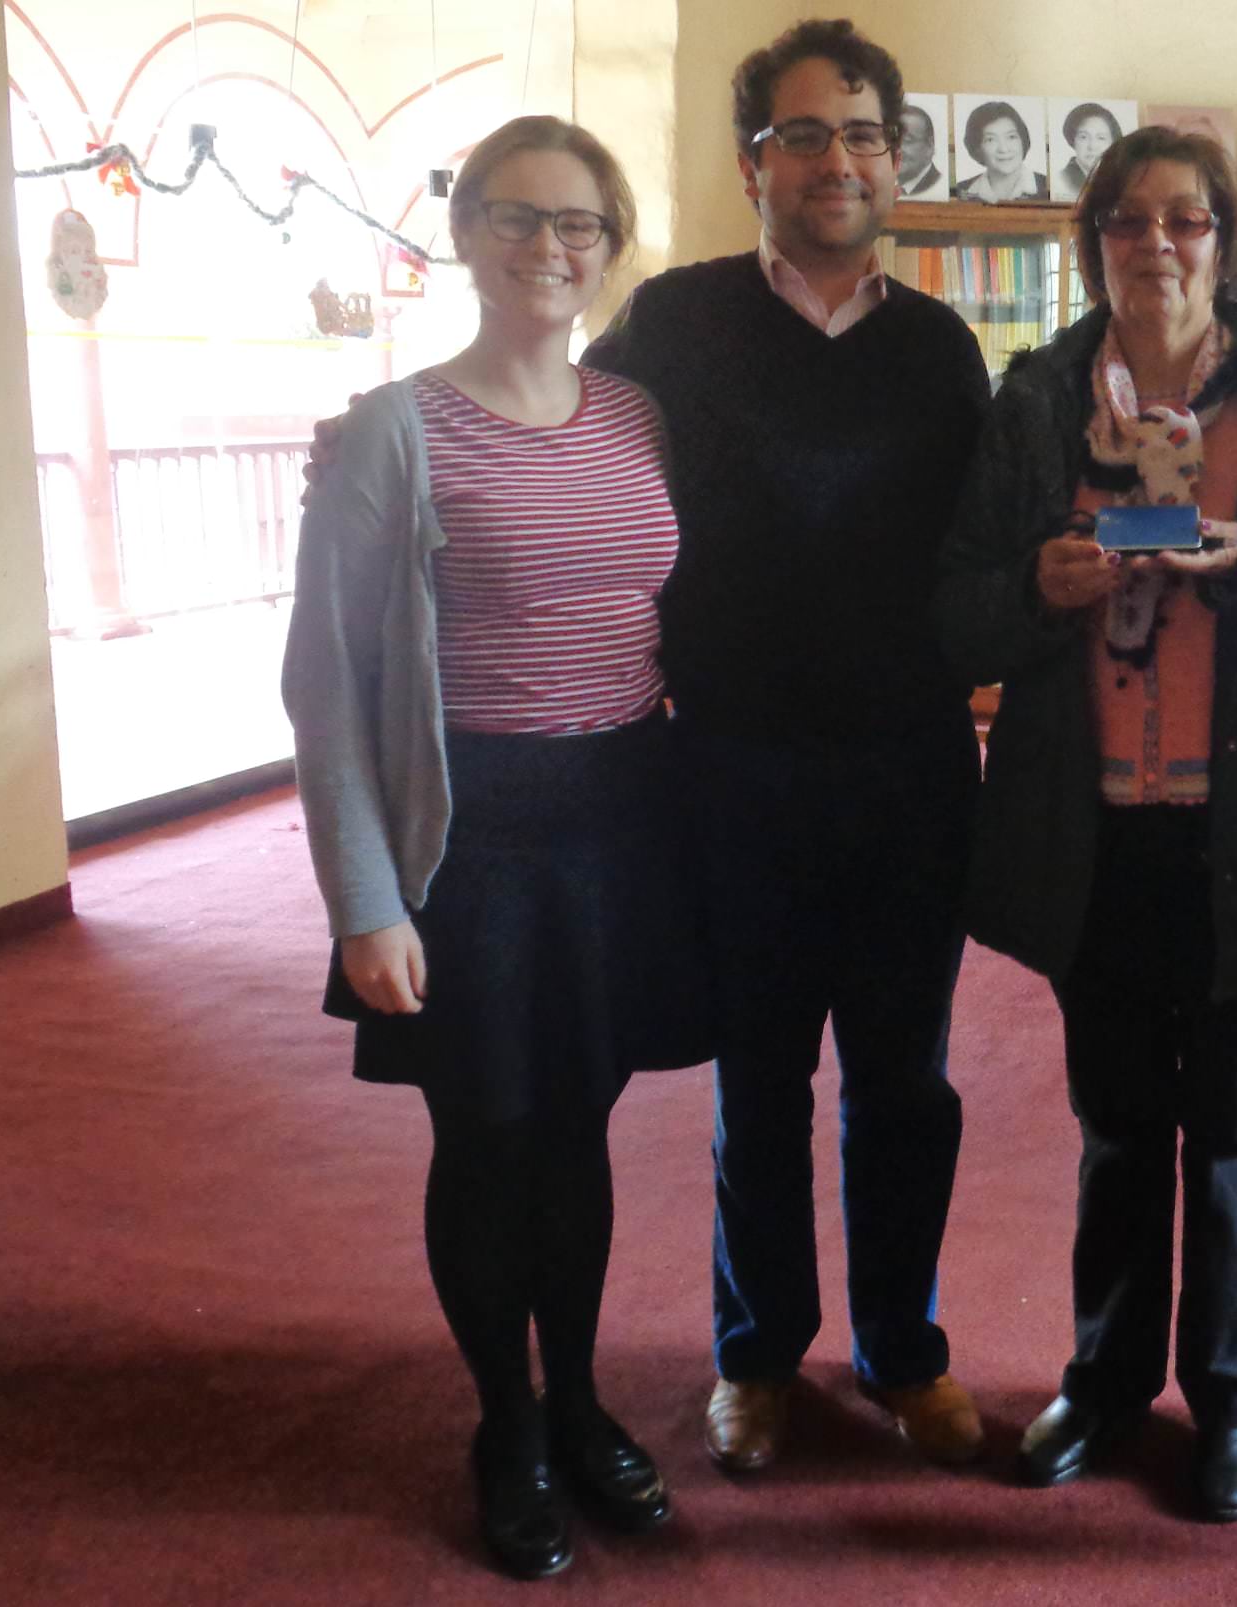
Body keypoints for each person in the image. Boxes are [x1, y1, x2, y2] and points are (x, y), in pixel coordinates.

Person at [934, 126, 1237, 1522]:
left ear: (1225, 241)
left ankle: (1233, 1401)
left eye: (1185, 219)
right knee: (1118, 1126)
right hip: (1091, 824)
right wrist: (1037, 588)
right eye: (1128, 220)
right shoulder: (1036, 401)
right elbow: (954, 606)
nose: (1156, 243)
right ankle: (1103, 1381)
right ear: (1094, 241)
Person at [282, 115, 708, 1581]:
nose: (549, 247)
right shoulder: (393, 430)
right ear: (465, 233)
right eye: (517, 217)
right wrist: (365, 899)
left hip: (620, 815)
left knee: (577, 1124)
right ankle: (506, 1420)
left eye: (579, 223)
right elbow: (328, 684)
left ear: (611, 245)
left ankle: (577, 1396)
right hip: (469, 831)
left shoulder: (639, 416)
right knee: (485, 1132)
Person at [581, 19, 994, 1473]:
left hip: (910, 772)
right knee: (758, 1082)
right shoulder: (673, 322)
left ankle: (902, 1349)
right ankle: (754, 1354)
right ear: (753, 162)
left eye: (865, 133)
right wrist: (400, 439)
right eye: (805, 134)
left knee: (905, 1086)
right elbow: (549, 430)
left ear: (895, 160)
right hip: (735, 770)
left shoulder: (940, 347)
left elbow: (987, 542)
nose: (839, 160)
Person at [952, 100, 1049, 203]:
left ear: (1023, 140)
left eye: (1011, 137)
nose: (1003, 149)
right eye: (990, 139)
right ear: (977, 147)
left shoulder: (1047, 186)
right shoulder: (963, 191)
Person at [1053, 103, 1122, 205]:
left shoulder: (1121, 183)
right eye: (1083, 137)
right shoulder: (1059, 182)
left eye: (1101, 138)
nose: (1092, 146)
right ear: (1073, 140)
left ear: (1112, 143)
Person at [896, 102, 946, 200]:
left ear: (930, 146)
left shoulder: (936, 188)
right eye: (893, 139)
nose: (897, 149)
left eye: (907, 140)